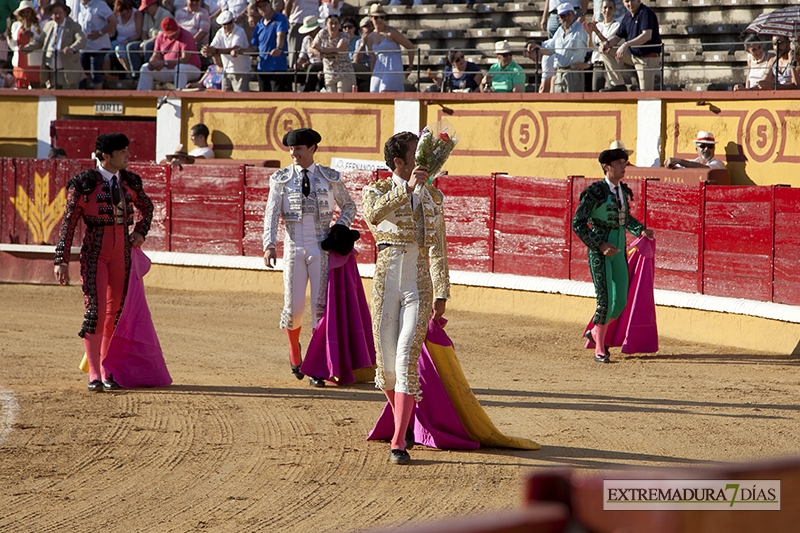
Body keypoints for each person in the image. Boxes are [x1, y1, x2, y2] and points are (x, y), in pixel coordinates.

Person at [361, 131, 450, 465]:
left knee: (405, 358)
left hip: (419, 280)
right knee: (385, 369)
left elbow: (439, 246)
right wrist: (408, 188)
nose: (423, 160)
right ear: (399, 161)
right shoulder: (378, 189)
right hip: (386, 279)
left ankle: (398, 440)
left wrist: (441, 292)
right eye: (416, 153)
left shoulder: (433, 197)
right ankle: (404, 421)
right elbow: (373, 215)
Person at [53, 133, 154, 392]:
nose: (128, 156)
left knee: (115, 314)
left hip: (122, 254)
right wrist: (61, 260)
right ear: (106, 156)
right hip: (95, 253)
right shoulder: (84, 184)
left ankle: (107, 368)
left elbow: (147, 207)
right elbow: (68, 222)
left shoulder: (130, 181)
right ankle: (94, 373)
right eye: (122, 153)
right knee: (94, 312)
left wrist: (141, 231)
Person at [262, 127, 356, 387]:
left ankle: (317, 366)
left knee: (319, 309)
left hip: (321, 249)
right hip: (293, 247)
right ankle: (295, 351)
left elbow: (349, 205)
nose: (294, 153)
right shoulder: (280, 179)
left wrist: (339, 227)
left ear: (312, 148)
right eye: (291, 149)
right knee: (293, 310)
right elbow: (271, 213)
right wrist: (269, 244)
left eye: (299, 149)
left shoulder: (330, 177)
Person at [571, 147, 652, 363]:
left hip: (619, 252)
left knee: (621, 301)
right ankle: (600, 348)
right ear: (607, 167)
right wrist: (599, 244)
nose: (624, 166)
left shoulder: (623, 191)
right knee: (605, 299)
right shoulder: (594, 192)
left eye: (624, 162)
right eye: (619, 163)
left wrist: (640, 230)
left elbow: (625, 220)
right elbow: (577, 223)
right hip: (601, 252)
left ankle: (596, 332)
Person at [597, 0, 661, 92]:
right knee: (605, 50)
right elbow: (617, 37)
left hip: (647, 58)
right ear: (623, 3)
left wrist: (627, 44)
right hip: (634, 55)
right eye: (627, 1)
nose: (630, 4)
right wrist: (606, 43)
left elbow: (647, 35)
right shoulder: (627, 16)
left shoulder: (646, 12)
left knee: (646, 94)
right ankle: (618, 84)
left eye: (632, 1)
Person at [22, 0, 86, 90]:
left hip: (67, 70)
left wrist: (72, 48)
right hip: (51, 71)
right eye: (55, 13)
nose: (58, 16)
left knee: (68, 97)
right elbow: (39, 41)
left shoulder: (73, 26)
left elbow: (82, 40)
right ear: (51, 15)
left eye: (60, 13)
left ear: (65, 13)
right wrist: (26, 48)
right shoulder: (48, 26)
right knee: (52, 98)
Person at [527, 3, 589, 93]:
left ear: (574, 14)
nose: (566, 17)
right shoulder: (559, 31)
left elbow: (594, 47)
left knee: (573, 103)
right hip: (559, 73)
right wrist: (537, 48)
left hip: (573, 72)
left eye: (568, 14)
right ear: (559, 18)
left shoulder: (582, 29)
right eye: (563, 16)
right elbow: (550, 50)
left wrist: (588, 63)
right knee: (559, 103)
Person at [136, 17, 202, 90]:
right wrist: (152, 63)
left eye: (175, 31)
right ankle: (143, 96)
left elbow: (185, 60)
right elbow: (156, 55)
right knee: (145, 68)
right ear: (165, 32)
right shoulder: (160, 37)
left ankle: (178, 96)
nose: (175, 35)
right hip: (169, 70)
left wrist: (165, 63)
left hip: (191, 69)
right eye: (171, 34)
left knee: (180, 68)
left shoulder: (187, 36)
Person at [365, 3, 415, 93]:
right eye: (376, 17)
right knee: (374, 92)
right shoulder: (370, 37)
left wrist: (410, 67)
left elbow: (410, 47)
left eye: (382, 17)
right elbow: (372, 59)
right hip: (378, 67)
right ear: (371, 18)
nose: (379, 20)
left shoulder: (391, 32)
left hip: (393, 65)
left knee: (386, 92)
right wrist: (372, 75)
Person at [202, 10, 251, 92]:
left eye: (230, 23)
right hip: (226, 70)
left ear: (233, 21)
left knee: (240, 99)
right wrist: (206, 49)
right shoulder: (220, 32)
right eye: (225, 24)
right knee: (224, 97)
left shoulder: (240, 31)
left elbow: (234, 48)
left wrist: (215, 51)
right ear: (221, 25)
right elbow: (213, 46)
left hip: (241, 71)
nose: (228, 26)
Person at [75, 0, 117, 90]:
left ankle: (96, 96)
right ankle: (81, 96)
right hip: (84, 46)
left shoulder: (100, 5)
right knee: (80, 73)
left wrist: (100, 33)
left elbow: (114, 21)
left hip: (99, 46)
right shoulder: (79, 6)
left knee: (95, 72)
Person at [248, 0, 289, 92]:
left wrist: (278, 48)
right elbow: (253, 47)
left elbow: (281, 35)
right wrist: (240, 50)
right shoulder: (259, 25)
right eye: (259, 7)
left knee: (277, 97)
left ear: (270, 5)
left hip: (277, 66)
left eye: (264, 5)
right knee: (264, 98)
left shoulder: (280, 18)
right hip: (262, 67)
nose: (262, 9)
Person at [734, 34, 798, 91]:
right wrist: (745, 90)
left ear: (788, 43)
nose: (777, 47)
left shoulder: (797, 60)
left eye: (780, 43)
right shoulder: (773, 61)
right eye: (775, 44)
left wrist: (792, 64)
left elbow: (797, 85)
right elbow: (762, 84)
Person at [311, 14, 356, 93]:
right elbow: (312, 46)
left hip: (344, 74)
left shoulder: (344, 36)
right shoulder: (322, 34)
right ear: (326, 25)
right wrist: (316, 51)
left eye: (336, 23)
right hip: (329, 75)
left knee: (341, 99)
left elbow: (338, 51)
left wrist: (321, 49)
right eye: (331, 23)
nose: (334, 26)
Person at [584, 0, 621, 92]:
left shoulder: (617, 26)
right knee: (595, 93)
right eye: (605, 7)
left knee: (611, 92)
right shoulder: (598, 26)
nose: (607, 10)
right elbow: (590, 47)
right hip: (597, 65)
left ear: (614, 10)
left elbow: (608, 43)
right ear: (601, 10)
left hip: (609, 64)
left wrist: (596, 31)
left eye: (610, 8)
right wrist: (589, 34)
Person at [127, 0, 171, 77]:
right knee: (131, 47)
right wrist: (143, 42)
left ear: (155, 6)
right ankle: (136, 76)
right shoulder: (147, 15)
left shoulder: (165, 14)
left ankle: (148, 73)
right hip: (149, 41)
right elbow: (144, 33)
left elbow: (162, 36)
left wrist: (144, 43)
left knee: (148, 45)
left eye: (146, 8)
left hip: (163, 43)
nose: (145, 11)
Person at [8, 0, 43, 89]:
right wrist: (10, 38)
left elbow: (42, 42)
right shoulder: (16, 25)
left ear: (32, 12)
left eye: (28, 11)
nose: (26, 14)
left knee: (34, 86)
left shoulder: (39, 25)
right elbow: (13, 45)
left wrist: (33, 35)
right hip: (19, 61)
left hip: (33, 61)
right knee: (19, 86)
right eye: (23, 12)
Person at [283, 0, 317, 69]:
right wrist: (286, 18)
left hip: (314, 21)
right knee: (295, 56)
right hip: (298, 20)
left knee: (314, 54)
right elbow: (289, 2)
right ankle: (294, 75)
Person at [110, 0, 142, 75]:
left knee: (119, 49)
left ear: (130, 9)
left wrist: (127, 40)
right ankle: (108, 76)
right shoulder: (116, 15)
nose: (125, 16)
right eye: (122, 15)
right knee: (106, 49)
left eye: (126, 13)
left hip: (132, 40)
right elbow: (112, 33)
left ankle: (129, 74)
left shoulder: (137, 14)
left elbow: (139, 33)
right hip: (119, 40)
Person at [295, 14, 322, 91]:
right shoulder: (306, 39)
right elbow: (302, 56)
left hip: (322, 65)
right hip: (309, 66)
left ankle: (306, 92)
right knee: (290, 72)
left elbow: (328, 58)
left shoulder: (324, 38)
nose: (309, 33)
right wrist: (298, 64)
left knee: (312, 68)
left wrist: (310, 64)